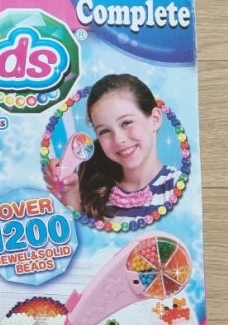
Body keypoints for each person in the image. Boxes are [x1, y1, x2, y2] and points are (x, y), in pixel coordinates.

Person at [44, 74, 181, 222]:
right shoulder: (97, 193)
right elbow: (78, 231)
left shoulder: (177, 186)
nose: (118, 139)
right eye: (104, 131)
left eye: (126, 123)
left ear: (154, 119)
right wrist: (70, 192)